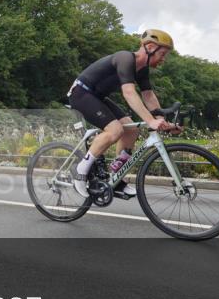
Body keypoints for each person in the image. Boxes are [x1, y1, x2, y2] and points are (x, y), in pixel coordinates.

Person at [67, 29, 182, 198]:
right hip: (81, 93)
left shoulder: (142, 69)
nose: (164, 59)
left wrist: (161, 121)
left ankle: (116, 178)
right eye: (163, 54)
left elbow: (148, 95)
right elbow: (128, 92)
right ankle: (80, 171)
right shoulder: (125, 58)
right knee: (115, 130)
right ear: (150, 47)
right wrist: (150, 121)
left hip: (98, 97)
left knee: (131, 130)